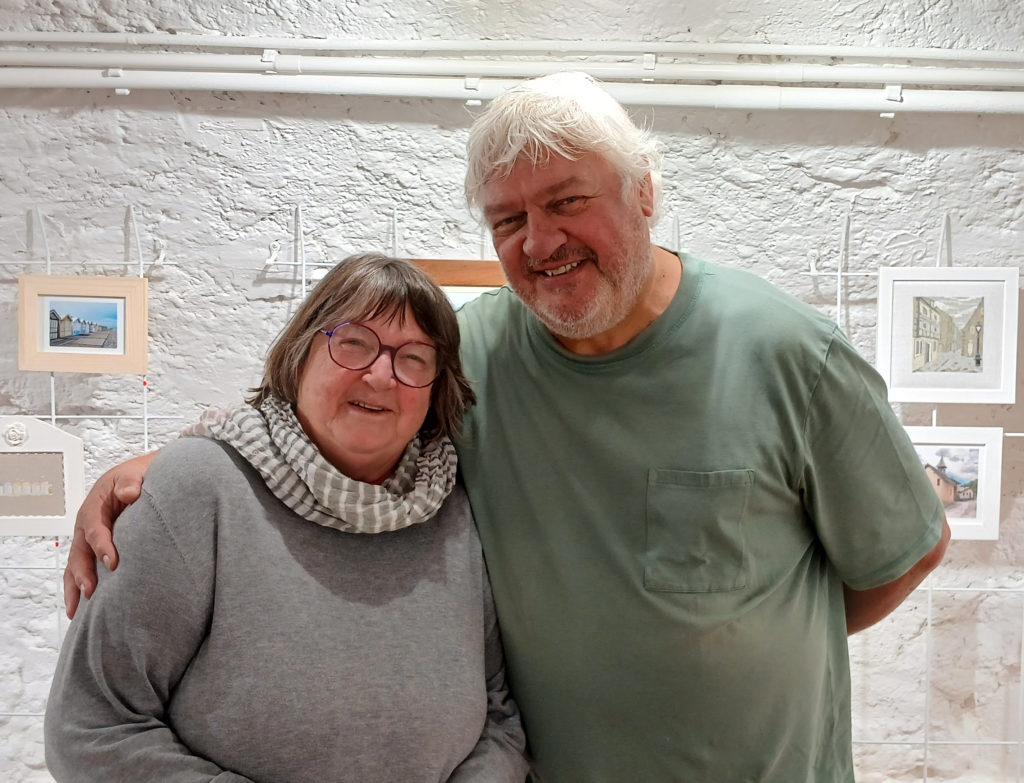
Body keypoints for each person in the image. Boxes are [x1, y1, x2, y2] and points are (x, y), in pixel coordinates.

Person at [63, 73, 950, 782]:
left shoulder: (791, 354)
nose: (540, 240)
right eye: (509, 219)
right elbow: (335, 417)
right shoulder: (472, 356)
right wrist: (169, 464)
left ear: (645, 191)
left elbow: (907, 552)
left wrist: (762, 641)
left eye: (567, 201)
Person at [45, 253, 529, 783]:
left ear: (437, 387)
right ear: (300, 356)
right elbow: (91, 729)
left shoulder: (452, 504)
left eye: (414, 358)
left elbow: (499, 714)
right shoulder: (198, 490)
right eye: (354, 342)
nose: (380, 375)